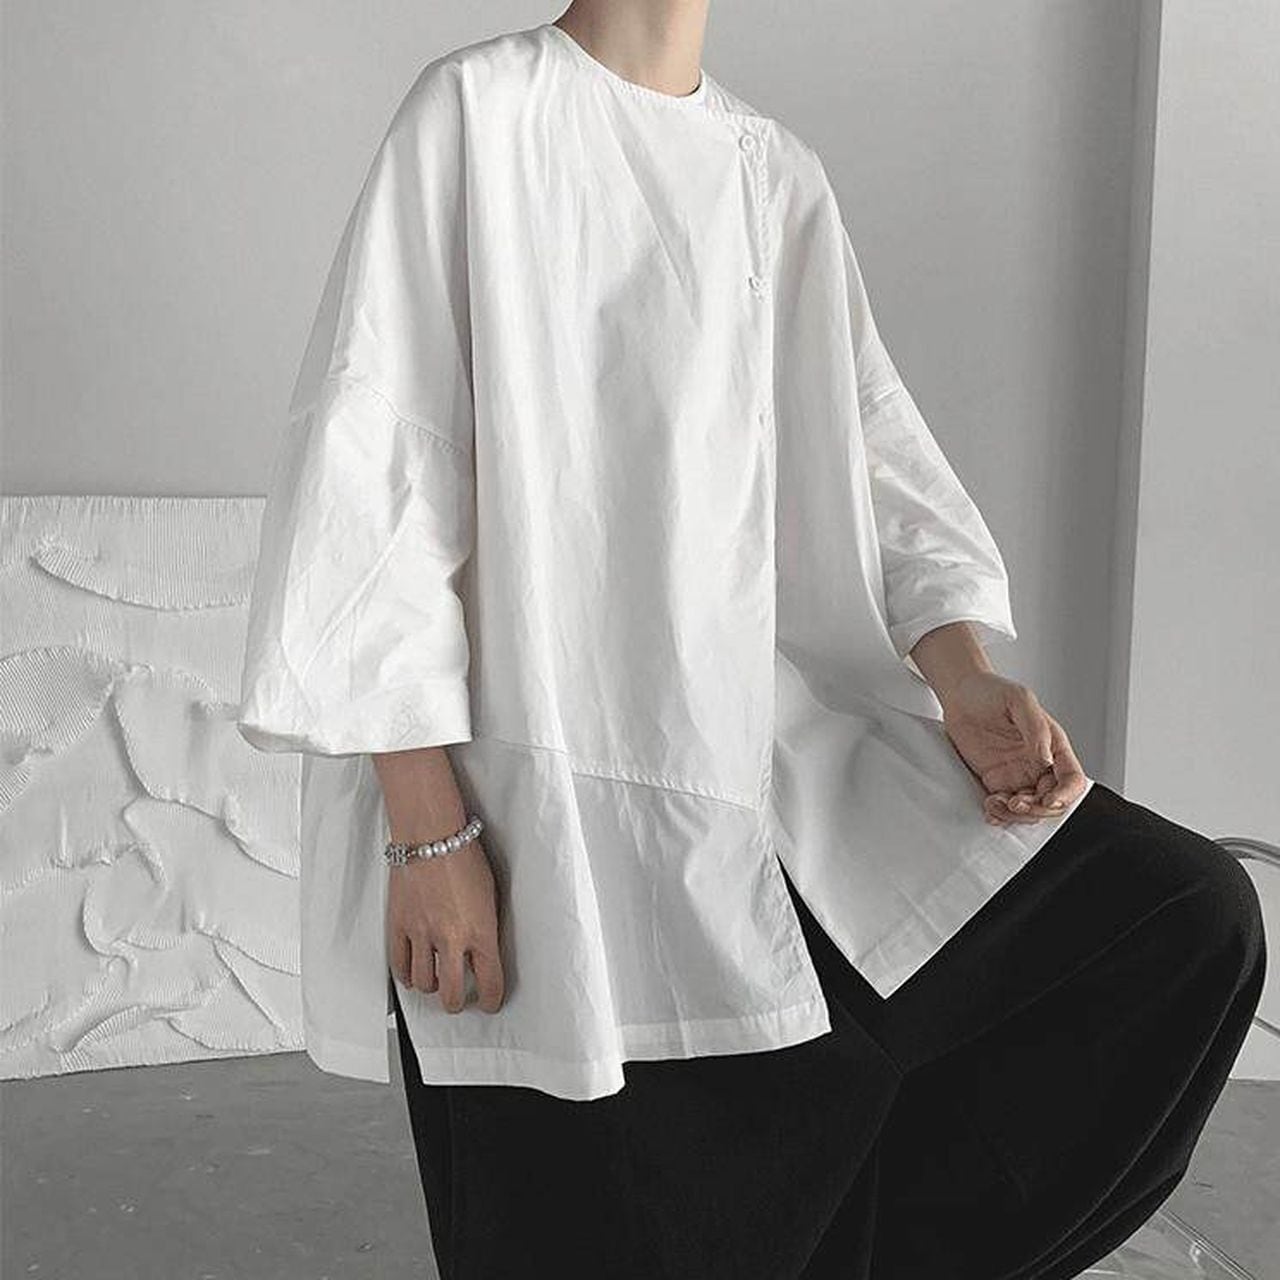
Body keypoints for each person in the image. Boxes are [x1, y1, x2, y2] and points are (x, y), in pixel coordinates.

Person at [236, 3, 1267, 1277]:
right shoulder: (478, 114)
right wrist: (426, 826)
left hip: (766, 760)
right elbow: (376, 465)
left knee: (1179, 923)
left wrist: (960, 672)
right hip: (541, 800)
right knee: (607, 1209)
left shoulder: (773, 173)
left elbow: (870, 450)